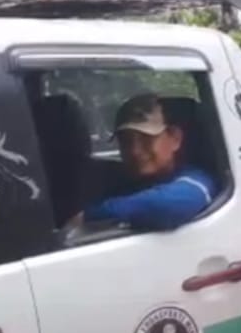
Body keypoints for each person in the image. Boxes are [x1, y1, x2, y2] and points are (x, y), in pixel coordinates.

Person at [73, 93, 217, 231]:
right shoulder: (121, 180)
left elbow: (166, 206)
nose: (135, 150)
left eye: (146, 139)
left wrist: (90, 215)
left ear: (175, 138)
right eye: (126, 141)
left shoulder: (197, 181)